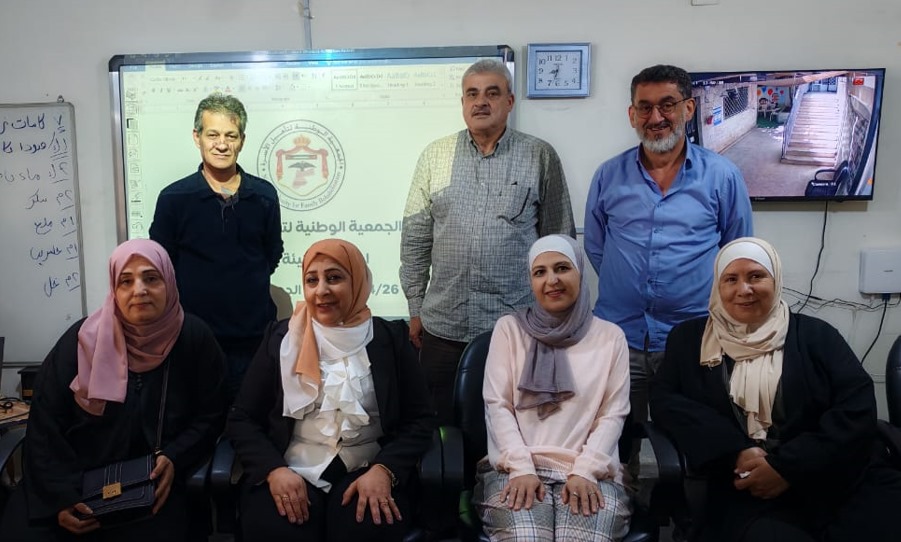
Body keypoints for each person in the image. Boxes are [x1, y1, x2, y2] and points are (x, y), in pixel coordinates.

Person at [649, 237, 901, 541]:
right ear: (718, 286)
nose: (744, 289)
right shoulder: (689, 340)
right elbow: (665, 401)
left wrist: (788, 467)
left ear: (776, 279)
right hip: (747, 485)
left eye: (756, 276)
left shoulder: (817, 335)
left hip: (833, 473)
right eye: (731, 279)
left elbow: (857, 405)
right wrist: (734, 451)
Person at [583, 64, 753, 476]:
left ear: (688, 109)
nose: (655, 117)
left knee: (697, 446)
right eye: (644, 107)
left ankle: (685, 511)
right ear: (632, 114)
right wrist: (630, 286)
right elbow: (596, 245)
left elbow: (737, 253)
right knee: (612, 443)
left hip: (694, 340)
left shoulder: (722, 176)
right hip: (620, 336)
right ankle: (621, 503)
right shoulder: (608, 175)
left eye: (667, 105)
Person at [0, 239, 227, 541]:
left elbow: (212, 415)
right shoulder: (81, 341)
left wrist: (175, 456)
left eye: (151, 278)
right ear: (114, 290)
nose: (139, 290)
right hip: (74, 479)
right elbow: (45, 425)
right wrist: (61, 498)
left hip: (151, 483)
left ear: (170, 283)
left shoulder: (194, 339)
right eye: (126, 281)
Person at [401, 59, 576, 426]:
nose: (480, 102)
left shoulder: (538, 155)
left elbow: (559, 242)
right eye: (472, 94)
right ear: (463, 102)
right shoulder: (435, 156)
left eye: (492, 93)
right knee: (439, 431)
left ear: (509, 101)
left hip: (516, 328)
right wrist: (415, 307)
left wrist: (556, 316)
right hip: (443, 328)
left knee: (514, 426)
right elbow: (415, 240)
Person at [225, 238, 436, 542]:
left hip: (368, 467)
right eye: (312, 280)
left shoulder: (390, 339)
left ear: (357, 281)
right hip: (290, 466)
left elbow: (420, 419)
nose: (321, 290)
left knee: (366, 528)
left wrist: (385, 470)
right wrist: (274, 470)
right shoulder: (281, 338)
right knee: (280, 531)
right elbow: (242, 418)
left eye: (334, 278)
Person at [475, 235, 632, 542]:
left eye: (562, 268)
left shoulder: (610, 337)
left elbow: (612, 415)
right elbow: (497, 406)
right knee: (526, 537)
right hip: (516, 469)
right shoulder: (509, 330)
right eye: (540, 272)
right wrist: (521, 468)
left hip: (591, 472)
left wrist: (585, 471)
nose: (552, 280)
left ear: (580, 272)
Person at [150, 92, 284, 399]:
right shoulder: (174, 198)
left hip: (254, 340)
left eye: (230, 135)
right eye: (213, 135)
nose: (221, 144)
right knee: (198, 421)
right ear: (196, 137)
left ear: (242, 141)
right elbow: (161, 265)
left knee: (251, 419)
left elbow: (272, 253)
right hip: (193, 339)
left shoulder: (264, 195)